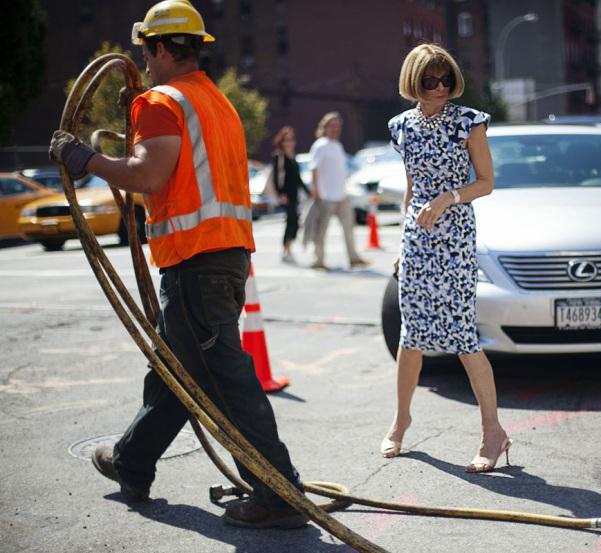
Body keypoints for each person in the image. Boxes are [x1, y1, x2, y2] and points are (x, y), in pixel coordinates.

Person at [48, 0, 307, 529]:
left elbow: (147, 176)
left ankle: (278, 493)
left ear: (164, 48)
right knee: (174, 371)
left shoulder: (162, 101)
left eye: (147, 51)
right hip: (225, 258)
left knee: (224, 382)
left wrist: (84, 159)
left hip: (195, 263)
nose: (144, 61)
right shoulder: (214, 101)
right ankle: (132, 462)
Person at [382, 44, 511, 473]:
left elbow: (486, 182)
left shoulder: (469, 121)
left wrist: (447, 198)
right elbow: (410, 189)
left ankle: (493, 432)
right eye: (429, 80)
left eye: (445, 79)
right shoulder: (401, 127)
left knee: (462, 335)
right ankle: (401, 422)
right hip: (416, 240)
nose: (439, 87)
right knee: (410, 336)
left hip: (455, 238)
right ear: (413, 82)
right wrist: (402, 245)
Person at [308, 112, 368, 270]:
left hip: (342, 195)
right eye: (332, 126)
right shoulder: (320, 145)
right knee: (321, 230)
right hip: (326, 196)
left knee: (349, 228)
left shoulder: (337, 146)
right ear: (325, 127)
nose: (335, 129)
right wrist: (316, 191)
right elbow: (314, 169)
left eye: (337, 126)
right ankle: (318, 260)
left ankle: (353, 258)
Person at [272, 126, 309, 263]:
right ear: (282, 142)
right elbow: (275, 177)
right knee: (291, 221)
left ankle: (289, 248)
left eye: (291, 140)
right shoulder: (279, 156)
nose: (289, 142)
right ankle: (285, 250)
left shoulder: (294, 157)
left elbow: (298, 178)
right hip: (286, 196)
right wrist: (280, 194)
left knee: (296, 222)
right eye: (286, 140)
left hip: (295, 195)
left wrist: (308, 191)